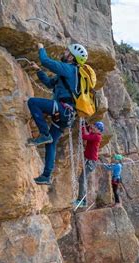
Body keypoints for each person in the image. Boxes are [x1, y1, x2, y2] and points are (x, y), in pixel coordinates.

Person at [28, 43, 88, 185]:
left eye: (67, 51)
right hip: (67, 115)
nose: (65, 52)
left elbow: (45, 61)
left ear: (71, 57)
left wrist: (41, 48)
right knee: (51, 143)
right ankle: (46, 176)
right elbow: (49, 83)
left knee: (33, 102)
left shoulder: (69, 69)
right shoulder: (68, 74)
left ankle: (44, 134)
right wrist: (38, 71)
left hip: (63, 109)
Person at [73, 121, 104, 208]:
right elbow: (88, 134)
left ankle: (82, 200)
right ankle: (82, 199)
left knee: (82, 179)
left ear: (99, 130)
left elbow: (84, 136)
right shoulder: (95, 135)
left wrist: (83, 127)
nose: (93, 127)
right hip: (89, 161)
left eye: (95, 127)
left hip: (91, 162)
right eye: (94, 126)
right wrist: (85, 126)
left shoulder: (97, 137)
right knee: (82, 179)